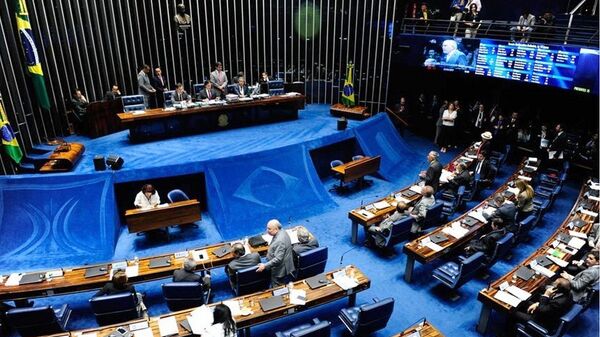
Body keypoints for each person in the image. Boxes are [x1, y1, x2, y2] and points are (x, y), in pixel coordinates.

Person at [256, 219, 295, 286]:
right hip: (285, 262)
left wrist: (265, 265)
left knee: (276, 285)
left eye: (269, 229)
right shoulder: (282, 231)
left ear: (276, 229)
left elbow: (278, 259)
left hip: (280, 269)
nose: (267, 230)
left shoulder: (279, 241)